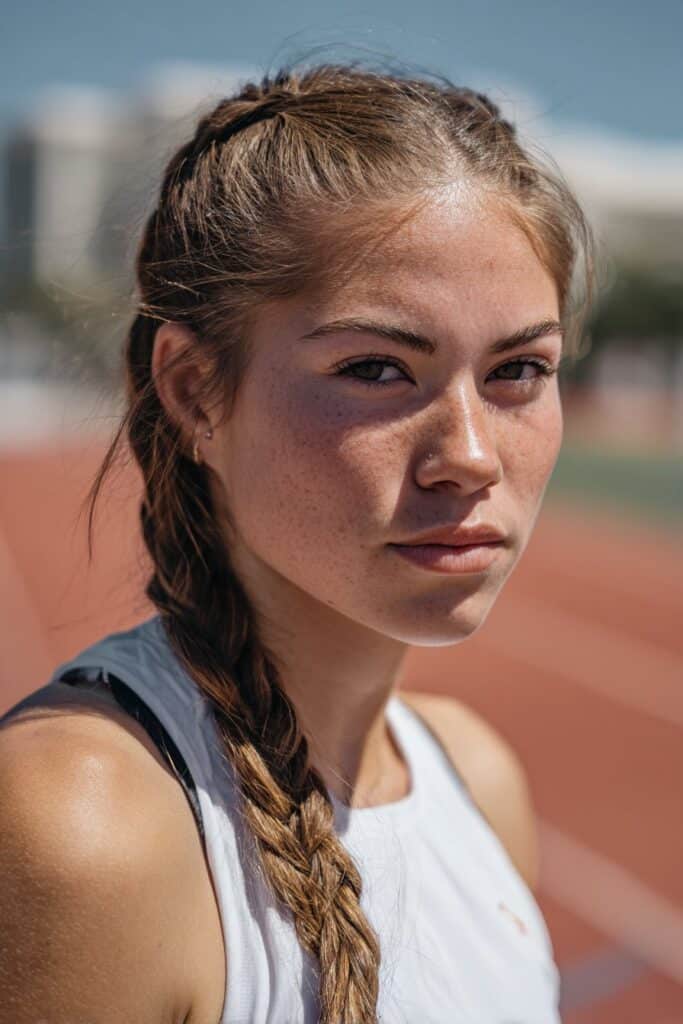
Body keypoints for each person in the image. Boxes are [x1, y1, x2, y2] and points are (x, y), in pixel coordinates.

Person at [0, 61, 594, 1024]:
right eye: (375, 368)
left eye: (519, 369)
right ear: (196, 392)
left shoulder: (475, 776)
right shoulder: (81, 825)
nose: (470, 457)